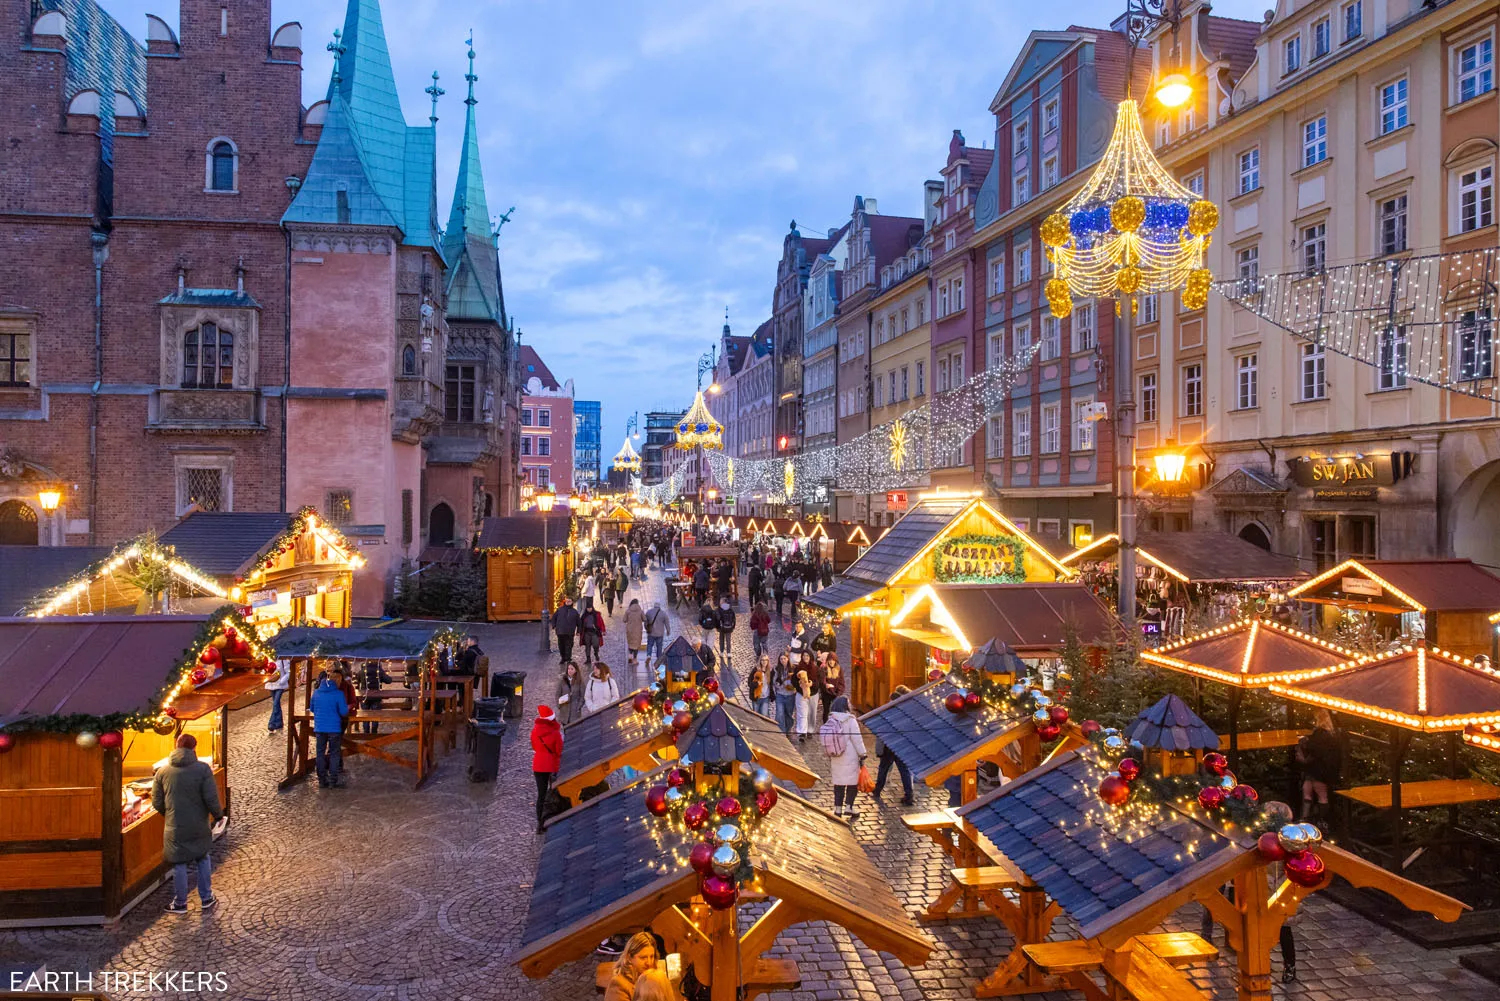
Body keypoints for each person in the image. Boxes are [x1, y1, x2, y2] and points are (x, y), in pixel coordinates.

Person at [154, 733, 225, 913]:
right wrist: (218, 816)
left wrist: (169, 814)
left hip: (175, 825)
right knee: (202, 857)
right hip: (198, 823)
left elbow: (157, 801)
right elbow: (211, 797)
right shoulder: (202, 769)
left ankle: (180, 903)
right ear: (194, 748)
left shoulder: (162, 771)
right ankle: (206, 898)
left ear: (177, 746)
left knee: (179, 863)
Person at [820, 695, 867, 820]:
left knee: (839, 783)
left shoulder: (831, 719)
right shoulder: (850, 720)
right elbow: (857, 739)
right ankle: (849, 807)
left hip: (836, 755)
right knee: (852, 783)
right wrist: (862, 753)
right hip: (850, 755)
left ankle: (837, 809)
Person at [1298, 708, 1342, 824]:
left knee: (1314, 793)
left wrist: (1305, 742)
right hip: (1323, 770)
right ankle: (1314, 819)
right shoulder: (1333, 734)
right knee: (1313, 791)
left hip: (1317, 770)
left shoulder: (1320, 734)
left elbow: (1314, 748)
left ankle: (1313, 819)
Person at [872, 685, 914, 805]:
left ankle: (877, 790)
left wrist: (879, 748)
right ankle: (909, 795)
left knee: (884, 768)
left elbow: (881, 730)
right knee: (904, 770)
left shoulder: (886, 711)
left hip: (889, 745)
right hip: (901, 745)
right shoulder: (906, 711)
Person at [310, 673, 349, 787]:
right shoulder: (338, 694)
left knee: (320, 753)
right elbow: (344, 712)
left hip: (320, 728)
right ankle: (333, 780)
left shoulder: (316, 693)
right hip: (334, 728)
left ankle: (322, 780)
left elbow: (312, 708)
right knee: (334, 754)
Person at [530, 705, 564, 833]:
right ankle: (553, 817)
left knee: (541, 794)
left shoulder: (534, 731)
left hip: (538, 765)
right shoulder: (555, 733)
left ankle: (540, 823)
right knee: (553, 792)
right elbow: (559, 751)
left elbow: (534, 746)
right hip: (552, 766)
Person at [603, 931, 659, 1001]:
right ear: (629, 958)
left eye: (651, 956)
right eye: (643, 958)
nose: (649, 963)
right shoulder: (618, 985)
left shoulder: (651, 975)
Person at [357, 659, 392, 736]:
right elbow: (389, 680)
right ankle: (374, 732)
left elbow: (357, 680)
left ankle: (366, 732)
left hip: (364, 696)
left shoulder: (362, 671)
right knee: (375, 715)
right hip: (376, 696)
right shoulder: (379, 670)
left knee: (365, 715)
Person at [794, 652, 819, 743]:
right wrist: (799, 685)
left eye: (807, 656)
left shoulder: (816, 669)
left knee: (812, 713)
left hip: (813, 694)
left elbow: (818, 681)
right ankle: (802, 732)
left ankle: (810, 730)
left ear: (810, 657)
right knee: (802, 714)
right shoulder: (798, 668)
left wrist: (812, 684)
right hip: (801, 694)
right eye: (804, 656)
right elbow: (794, 680)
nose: (805, 657)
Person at [772, 651, 797, 735]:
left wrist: (793, 688)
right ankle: (781, 732)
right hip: (780, 695)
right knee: (779, 713)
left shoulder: (793, 668)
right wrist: (778, 685)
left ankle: (788, 729)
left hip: (790, 695)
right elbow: (773, 681)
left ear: (788, 659)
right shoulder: (776, 669)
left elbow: (797, 681)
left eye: (784, 659)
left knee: (789, 714)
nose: (783, 660)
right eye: (781, 659)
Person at [264, 657, 291, 733]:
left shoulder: (283, 660)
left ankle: (271, 724)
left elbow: (288, 672)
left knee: (275, 703)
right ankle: (279, 723)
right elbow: (264, 671)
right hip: (271, 684)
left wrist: (282, 681)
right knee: (277, 704)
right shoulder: (268, 659)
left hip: (280, 685)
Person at [553, 597, 581, 665]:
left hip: (570, 632)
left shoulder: (574, 612)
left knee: (569, 645)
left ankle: (568, 658)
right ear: (565, 602)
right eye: (567, 601)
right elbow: (554, 617)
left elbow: (579, 622)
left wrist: (578, 631)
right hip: (560, 631)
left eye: (569, 601)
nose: (568, 602)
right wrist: (554, 625)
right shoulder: (559, 609)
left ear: (572, 602)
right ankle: (563, 658)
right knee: (561, 646)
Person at [819, 654, 846, 725]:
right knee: (826, 710)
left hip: (836, 693)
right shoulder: (824, 669)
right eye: (830, 660)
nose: (831, 662)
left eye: (833, 660)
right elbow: (822, 681)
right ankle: (826, 725)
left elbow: (841, 682)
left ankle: (835, 725)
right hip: (826, 693)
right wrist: (826, 686)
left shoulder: (839, 669)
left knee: (836, 710)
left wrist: (839, 692)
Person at [644, 601, 670, 670]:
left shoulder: (649, 612)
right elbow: (667, 622)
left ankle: (649, 655)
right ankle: (658, 660)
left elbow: (645, 621)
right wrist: (668, 630)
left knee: (649, 644)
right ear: (659, 606)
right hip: (660, 633)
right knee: (659, 646)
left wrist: (646, 628)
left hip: (651, 633)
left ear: (654, 605)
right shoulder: (663, 613)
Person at [749, 653, 774, 718]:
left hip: (765, 697)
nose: (764, 662)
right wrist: (756, 684)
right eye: (762, 660)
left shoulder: (770, 671)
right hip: (756, 696)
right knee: (756, 716)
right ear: (760, 661)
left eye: (766, 660)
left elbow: (772, 684)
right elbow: (749, 683)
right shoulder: (755, 670)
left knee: (764, 715)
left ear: (768, 661)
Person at [624, 598, 646, 671]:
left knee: (630, 643)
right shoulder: (640, 611)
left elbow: (624, 620)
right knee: (636, 645)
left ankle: (630, 656)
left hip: (630, 630)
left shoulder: (628, 611)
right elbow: (644, 619)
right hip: (638, 630)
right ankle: (635, 659)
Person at [715, 598, 736, 665]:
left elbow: (717, 619)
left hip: (722, 628)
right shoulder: (731, 609)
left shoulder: (719, 610)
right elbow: (734, 619)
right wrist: (733, 627)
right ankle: (729, 653)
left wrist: (717, 627)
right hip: (729, 627)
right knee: (728, 640)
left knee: (721, 639)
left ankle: (721, 652)